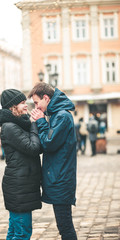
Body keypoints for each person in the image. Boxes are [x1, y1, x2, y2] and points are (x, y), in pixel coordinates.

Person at [29, 82, 77, 240]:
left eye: (37, 103)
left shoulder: (62, 116)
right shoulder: (57, 115)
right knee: (64, 225)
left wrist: (41, 121)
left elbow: (49, 143)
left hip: (61, 179)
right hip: (59, 177)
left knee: (65, 227)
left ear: (46, 98)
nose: (36, 107)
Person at [0, 89, 42, 240]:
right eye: (22, 103)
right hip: (19, 187)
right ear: (12, 106)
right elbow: (34, 148)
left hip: (21, 185)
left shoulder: (19, 124)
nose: (26, 106)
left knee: (15, 231)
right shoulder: (10, 127)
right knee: (22, 233)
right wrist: (34, 125)